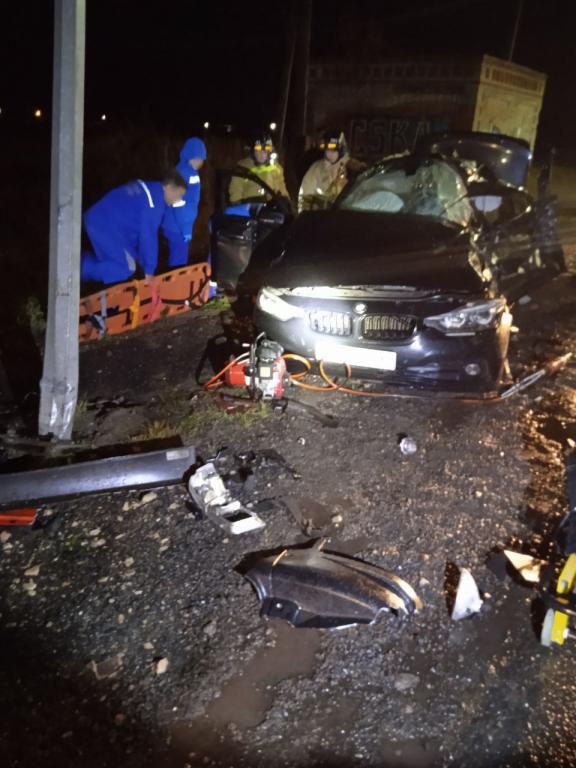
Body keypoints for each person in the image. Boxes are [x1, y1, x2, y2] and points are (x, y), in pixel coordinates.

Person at [81, 171, 186, 285]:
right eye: (179, 195)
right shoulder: (154, 203)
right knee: (125, 268)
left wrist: (141, 263)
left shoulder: (149, 189)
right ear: (168, 187)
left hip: (104, 222)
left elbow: (136, 231)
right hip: (104, 225)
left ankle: (81, 265)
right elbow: (148, 236)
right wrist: (149, 271)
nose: (178, 200)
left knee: (124, 263)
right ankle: (76, 267)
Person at [161, 136, 207, 267]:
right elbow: (179, 202)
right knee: (179, 263)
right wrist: (186, 228)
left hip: (173, 224)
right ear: (193, 157)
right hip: (178, 226)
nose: (201, 163)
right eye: (200, 159)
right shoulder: (189, 174)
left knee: (176, 259)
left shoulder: (180, 170)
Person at [298, 130, 365, 212]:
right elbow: (305, 196)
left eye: (333, 151)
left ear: (341, 150)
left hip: (345, 214)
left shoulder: (353, 167)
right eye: (327, 150)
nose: (329, 154)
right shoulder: (317, 168)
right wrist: (304, 215)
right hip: (320, 214)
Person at [228, 134, 289, 205]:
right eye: (258, 149)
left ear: (270, 151)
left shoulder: (276, 168)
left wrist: (287, 203)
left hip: (270, 207)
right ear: (252, 151)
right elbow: (236, 191)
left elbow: (282, 189)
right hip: (248, 207)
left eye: (265, 150)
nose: (262, 154)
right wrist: (237, 206)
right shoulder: (243, 167)